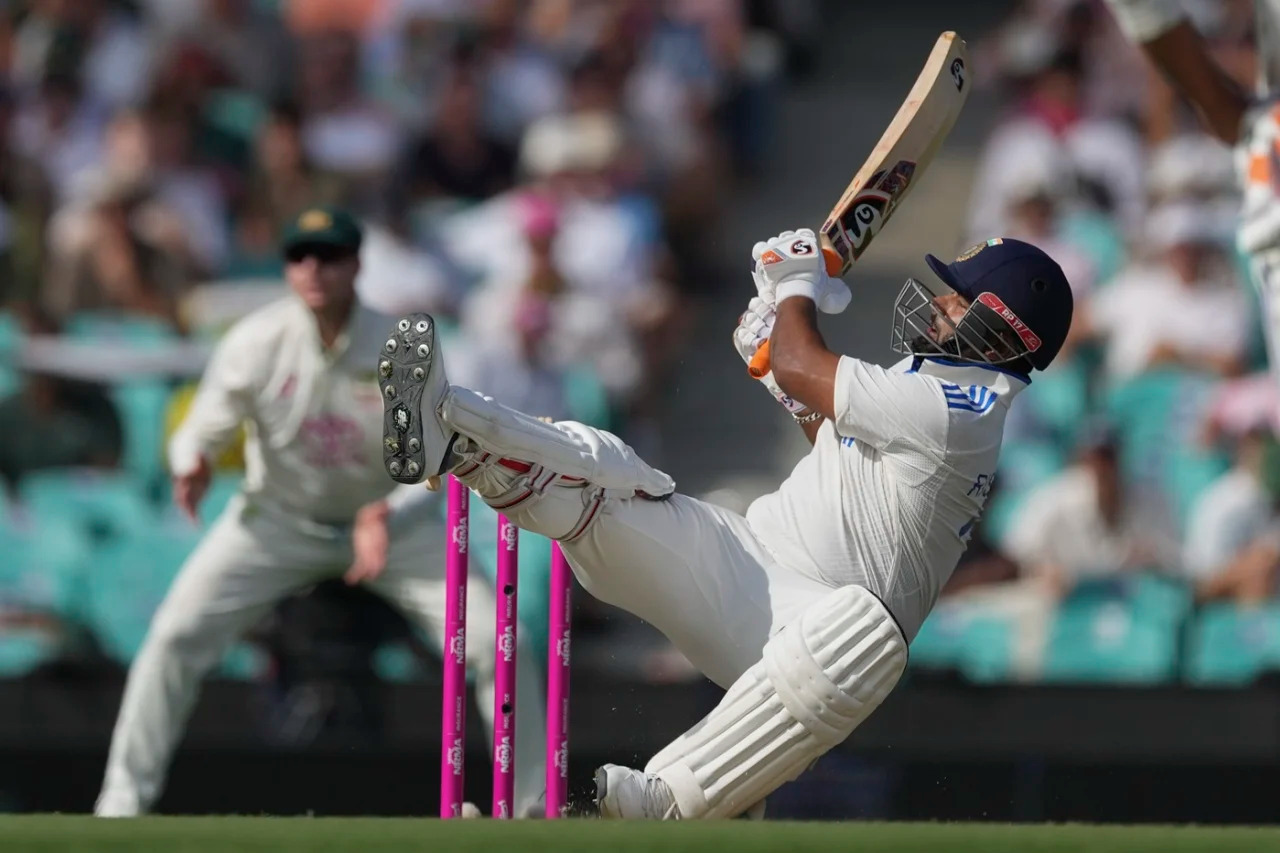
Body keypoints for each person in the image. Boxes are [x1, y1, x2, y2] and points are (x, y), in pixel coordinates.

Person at [377, 229, 1074, 819]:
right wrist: (773, 360)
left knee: (869, 632)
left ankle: (667, 799)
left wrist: (796, 291)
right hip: (749, 566)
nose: (941, 305)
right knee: (618, 479)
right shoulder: (932, 383)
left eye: (959, 299)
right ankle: (460, 437)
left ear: (1002, 329)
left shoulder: (963, 409)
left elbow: (812, 367)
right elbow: (833, 427)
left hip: (815, 641)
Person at [95, 207, 546, 818]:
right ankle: (120, 806)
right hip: (278, 523)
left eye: (330, 255)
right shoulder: (255, 341)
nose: (314, 268)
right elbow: (202, 426)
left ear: (356, 264)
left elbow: (435, 461)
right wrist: (191, 461)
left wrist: (384, 513)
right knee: (173, 637)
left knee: (500, 642)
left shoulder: (404, 341)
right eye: (301, 255)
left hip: (395, 526)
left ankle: (529, 811)